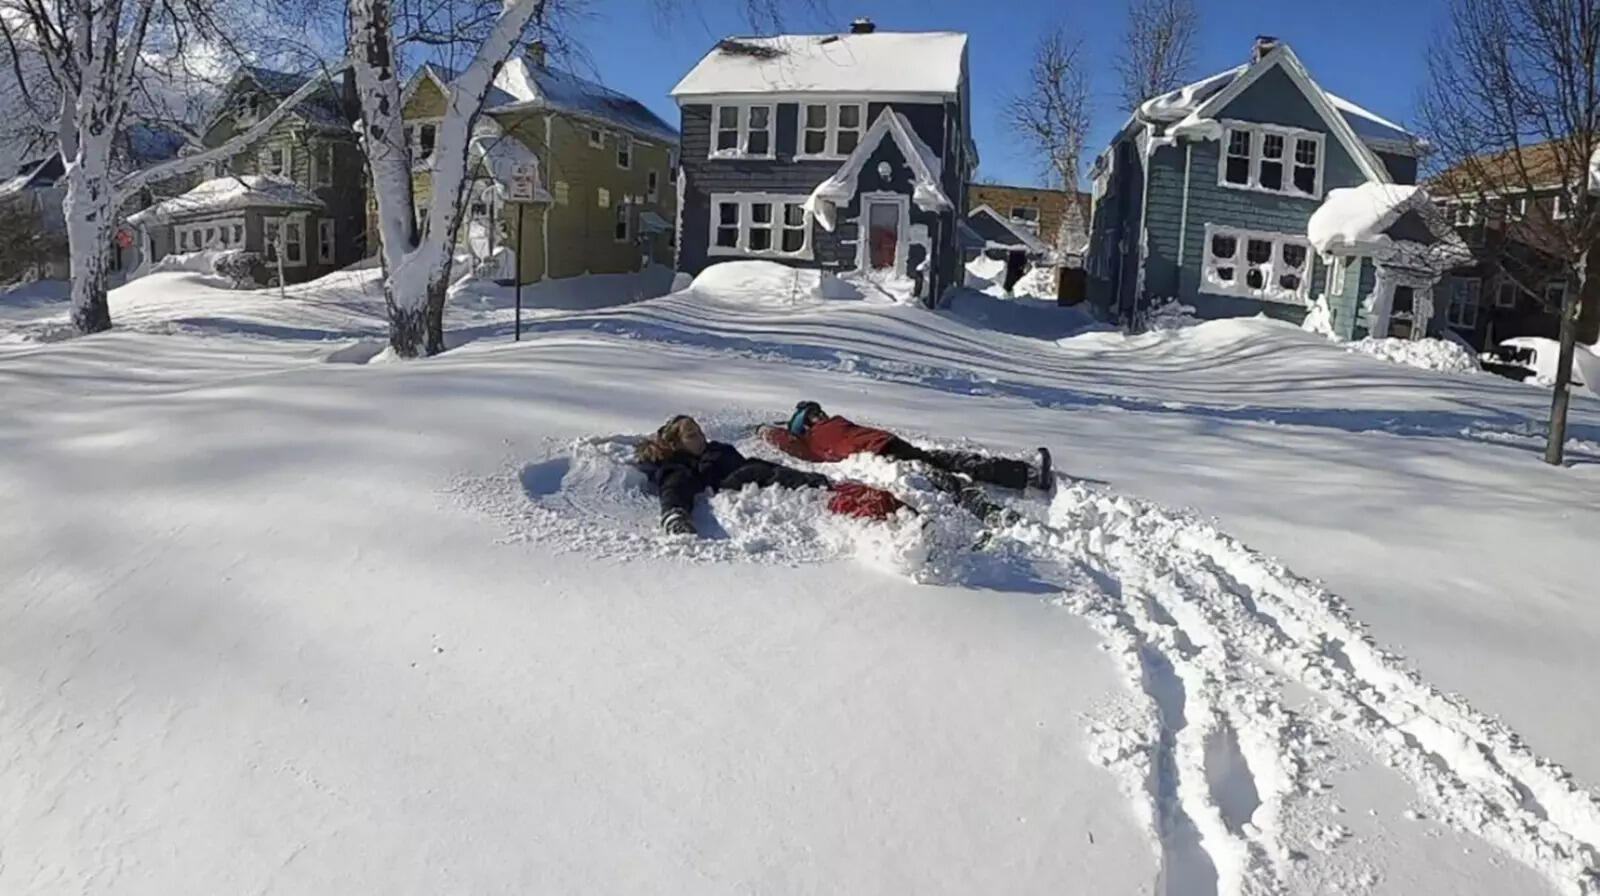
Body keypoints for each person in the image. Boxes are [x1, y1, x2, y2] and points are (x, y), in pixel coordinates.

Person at [635, 415, 905, 536]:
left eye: (700, 431)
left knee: (781, 474)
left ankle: (898, 513)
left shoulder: (716, 449)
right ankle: (882, 520)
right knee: (824, 497)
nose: (701, 437)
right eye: (692, 435)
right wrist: (675, 514)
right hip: (754, 488)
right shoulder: (679, 466)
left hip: (767, 475)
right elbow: (674, 488)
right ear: (677, 444)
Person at [762, 401, 1052, 492]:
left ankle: (1023, 474)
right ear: (803, 427)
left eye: (818, 411)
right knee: (942, 477)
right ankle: (1001, 508)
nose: (820, 415)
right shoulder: (810, 444)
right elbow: (783, 440)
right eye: (812, 415)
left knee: (948, 461)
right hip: (882, 455)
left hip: (890, 445)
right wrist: (764, 430)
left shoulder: (832, 425)